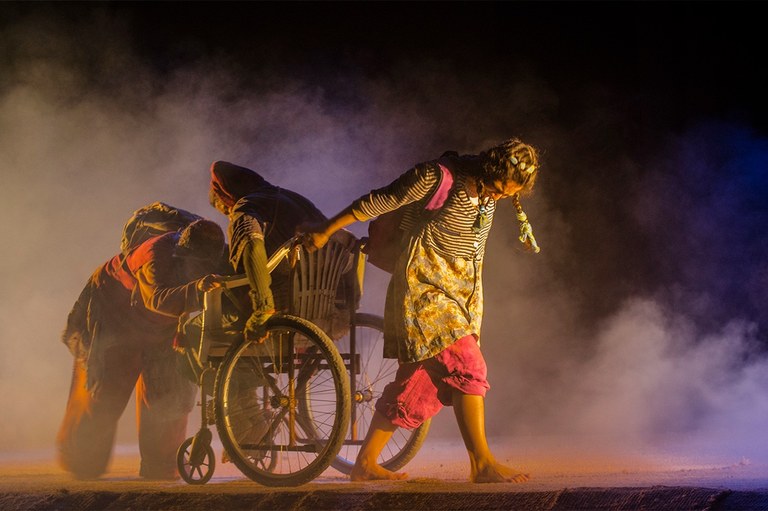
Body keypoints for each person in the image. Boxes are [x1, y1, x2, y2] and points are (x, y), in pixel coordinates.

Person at [300, 138, 540, 483]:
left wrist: (472, 309)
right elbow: (378, 201)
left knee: (417, 387)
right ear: (489, 169)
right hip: (422, 291)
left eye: (508, 193)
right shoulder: (436, 176)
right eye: (499, 188)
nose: (499, 196)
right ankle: (482, 463)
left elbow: (470, 253)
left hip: (460, 297)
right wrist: (326, 230)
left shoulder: (490, 195)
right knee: (469, 367)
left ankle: (365, 463)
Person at [57, 218, 226, 480]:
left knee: (166, 391)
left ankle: (162, 466)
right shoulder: (155, 255)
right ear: (183, 252)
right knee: (106, 389)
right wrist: (197, 288)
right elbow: (156, 299)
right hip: (115, 314)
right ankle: (83, 460)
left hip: (164, 325)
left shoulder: (210, 248)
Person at [207, 160, 329, 341]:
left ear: (226, 197)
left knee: (197, 328)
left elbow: (251, 242)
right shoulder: (293, 198)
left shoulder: (245, 207)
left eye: (225, 210)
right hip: (324, 300)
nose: (229, 215)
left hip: (286, 303)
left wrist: (262, 306)